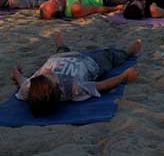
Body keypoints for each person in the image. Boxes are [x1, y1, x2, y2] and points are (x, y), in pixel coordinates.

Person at [11, 32, 140, 117]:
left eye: (42, 74)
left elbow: (22, 81)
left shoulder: (30, 88)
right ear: (59, 87)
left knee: (61, 51)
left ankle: (61, 45)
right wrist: (124, 76)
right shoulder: (75, 89)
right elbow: (102, 85)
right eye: (49, 75)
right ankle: (128, 52)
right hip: (90, 62)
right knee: (109, 55)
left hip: (59, 56)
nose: (47, 71)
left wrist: (16, 72)